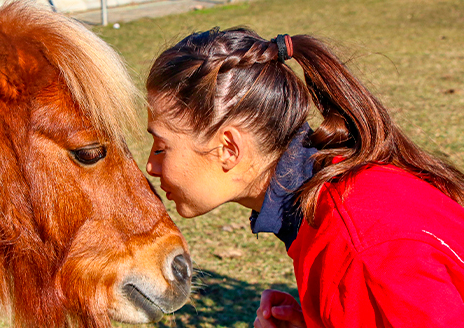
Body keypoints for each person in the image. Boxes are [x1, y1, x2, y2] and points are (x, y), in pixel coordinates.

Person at [144, 27, 464, 327]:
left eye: (161, 147)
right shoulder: (340, 192)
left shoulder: (358, 249)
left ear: (229, 149)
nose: (150, 166)